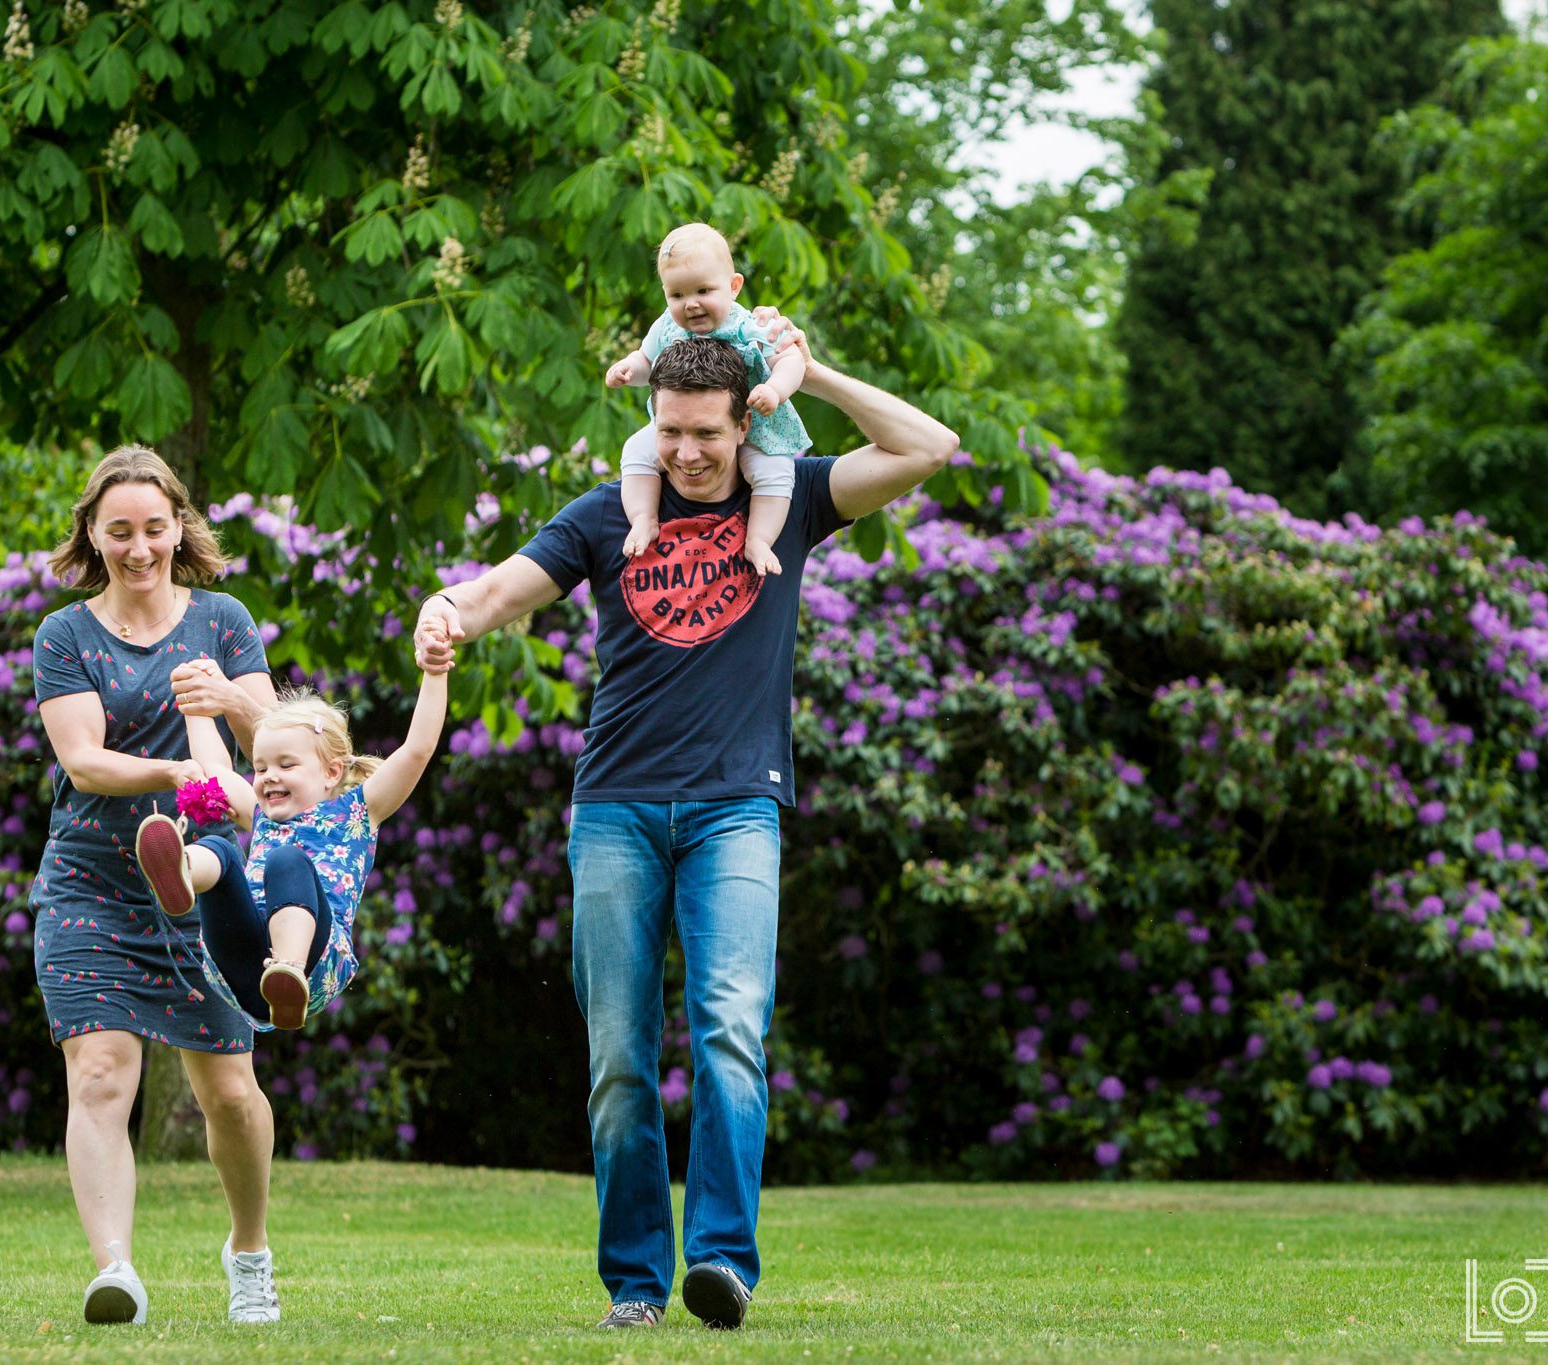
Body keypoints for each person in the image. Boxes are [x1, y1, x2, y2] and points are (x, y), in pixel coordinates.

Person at [415, 321, 957, 1331]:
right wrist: (445, 608)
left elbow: (926, 448)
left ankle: (718, 1263)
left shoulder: (785, 498)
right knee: (619, 1057)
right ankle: (632, 1285)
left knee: (729, 1032)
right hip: (614, 808)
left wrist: (804, 374)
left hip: (735, 808)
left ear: (740, 426)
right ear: (651, 423)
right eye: (669, 433)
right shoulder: (601, 517)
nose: (687, 453)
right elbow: (494, 590)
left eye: (706, 433)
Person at [30, 444, 284, 1327]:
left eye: (154, 527)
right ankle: (116, 1273)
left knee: (231, 1095)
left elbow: (273, 745)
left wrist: (230, 699)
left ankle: (248, 1249)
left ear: (180, 526)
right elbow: (84, 760)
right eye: (119, 531)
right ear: (93, 537)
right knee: (99, 1075)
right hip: (91, 886)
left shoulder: (222, 619)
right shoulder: (66, 635)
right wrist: (176, 770)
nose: (139, 547)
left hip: (206, 886)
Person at [130, 671, 448, 1033]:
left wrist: (435, 672)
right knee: (220, 849)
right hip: (243, 968)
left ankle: (289, 970)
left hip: (313, 965)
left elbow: (417, 749)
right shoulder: (261, 814)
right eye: (261, 767)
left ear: (331, 772)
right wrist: (194, 705)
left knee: (286, 859)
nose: (268, 777)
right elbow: (215, 770)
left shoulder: (359, 810)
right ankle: (181, 870)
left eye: (286, 764)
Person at [605, 222, 809, 576]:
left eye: (703, 290)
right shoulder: (666, 328)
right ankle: (643, 519)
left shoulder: (748, 325)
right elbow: (645, 361)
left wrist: (775, 389)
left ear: (733, 287)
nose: (691, 304)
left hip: (757, 423)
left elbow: (791, 359)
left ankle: (759, 539)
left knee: (775, 474)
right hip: (688, 428)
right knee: (636, 453)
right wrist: (626, 369)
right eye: (678, 295)